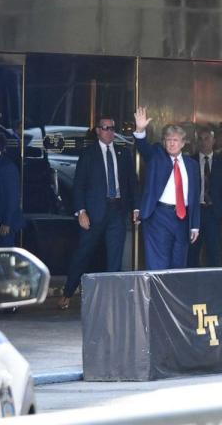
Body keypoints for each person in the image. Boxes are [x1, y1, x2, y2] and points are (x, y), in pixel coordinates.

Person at [58, 116, 139, 309]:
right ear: (97, 131)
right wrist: (81, 211)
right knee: (83, 253)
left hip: (117, 210)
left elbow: (132, 183)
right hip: (94, 212)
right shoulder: (89, 154)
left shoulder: (123, 153)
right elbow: (79, 185)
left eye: (112, 128)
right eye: (105, 128)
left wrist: (135, 208)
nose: (109, 132)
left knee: (115, 258)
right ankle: (68, 291)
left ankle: (111, 298)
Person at [133, 107, 200, 270]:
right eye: (168, 139)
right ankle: (157, 296)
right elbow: (143, 148)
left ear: (183, 143)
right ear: (163, 142)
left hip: (182, 219)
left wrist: (195, 225)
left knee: (178, 263)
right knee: (158, 263)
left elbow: (195, 197)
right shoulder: (156, 155)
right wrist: (140, 130)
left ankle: (172, 296)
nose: (171, 143)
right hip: (159, 216)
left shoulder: (192, 165)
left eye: (175, 140)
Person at [188, 126, 222, 267]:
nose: (203, 142)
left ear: (213, 141)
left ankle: (215, 283)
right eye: (200, 139)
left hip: (214, 213)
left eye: (207, 138)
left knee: (214, 251)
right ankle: (192, 281)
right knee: (193, 251)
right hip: (195, 212)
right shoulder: (191, 161)